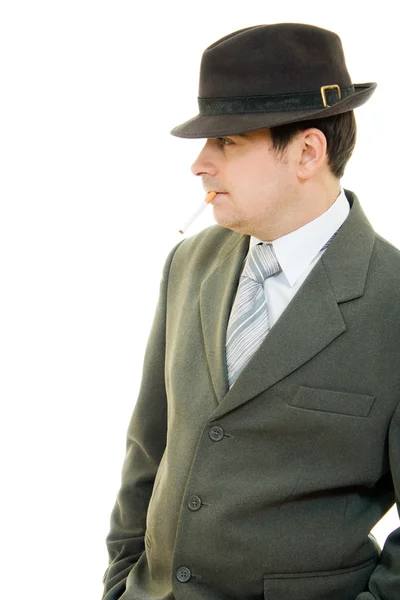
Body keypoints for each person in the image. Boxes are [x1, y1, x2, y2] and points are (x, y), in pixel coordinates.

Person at [102, 23, 400, 600]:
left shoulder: (393, 299)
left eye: (229, 142)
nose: (200, 165)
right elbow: (148, 444)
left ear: (308, 152)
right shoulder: (188, 264)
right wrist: (121, 580)